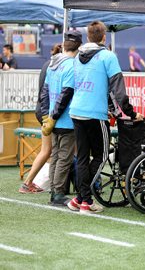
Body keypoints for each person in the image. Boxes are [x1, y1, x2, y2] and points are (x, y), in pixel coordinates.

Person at [67, 21, 143, 213]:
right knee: (100, 156)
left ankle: (79, 199)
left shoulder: (77, 57)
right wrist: (130, 113)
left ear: (88, 37)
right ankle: (85, 200)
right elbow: (118, 90)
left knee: (83, 157)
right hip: (94, 113)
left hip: (76, 111)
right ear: (104, 37)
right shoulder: (108, 56)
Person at [39, 31, 81, 206]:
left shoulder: (52, 64)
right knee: (64, 157)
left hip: (51, 118)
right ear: (78, 47)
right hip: (65, 119)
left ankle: (54, 191)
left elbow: (45, 92)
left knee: (55, 156)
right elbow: (66, 94)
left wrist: (46, 116)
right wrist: (55, 117)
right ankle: (57, 193)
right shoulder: (72, 66)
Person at [18, 44, 62, 194]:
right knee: (48, 150)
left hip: (41, 109)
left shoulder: (47, 64)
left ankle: (30, 182)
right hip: (48, 111)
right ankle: (28, 182)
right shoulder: (59, 67)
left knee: (47, 150)